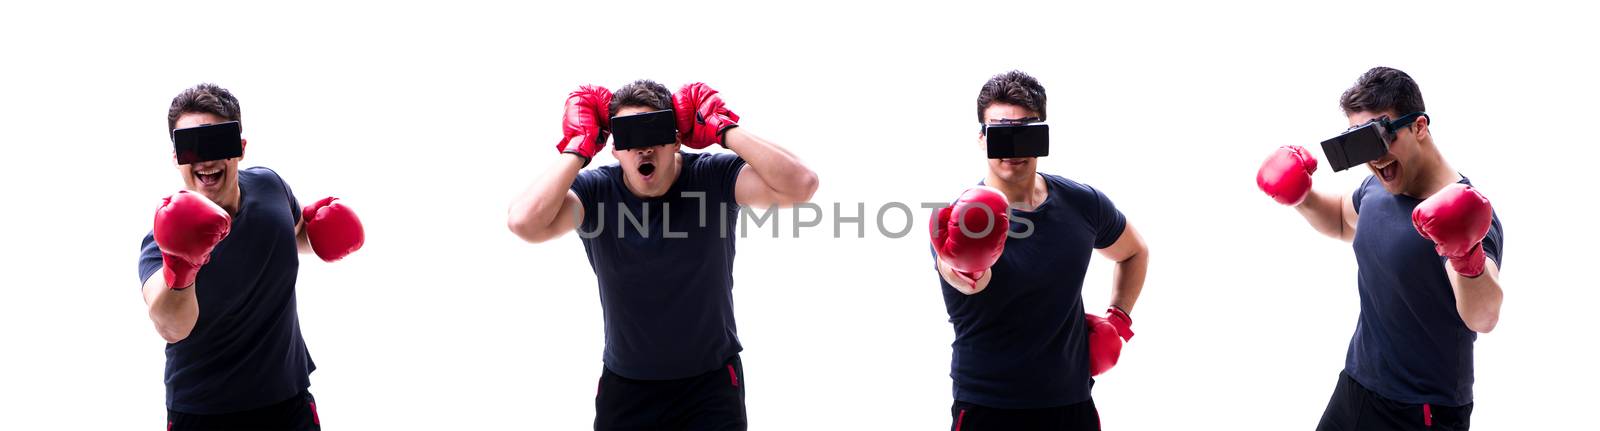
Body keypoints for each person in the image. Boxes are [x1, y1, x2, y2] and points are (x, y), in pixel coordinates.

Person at [507, 79, 818, 430]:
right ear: (614, 149)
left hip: (710, 387)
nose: (643, 149)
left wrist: (724, 127)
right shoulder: (596, 192)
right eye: (629, 138)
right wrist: (576, 149)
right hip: (627, 389)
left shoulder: (712, 178)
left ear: (676, 139)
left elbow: (802, 184)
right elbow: (524, 223)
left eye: (653, 132)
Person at [1255, 66, 1504, 431]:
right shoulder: (1377, 187)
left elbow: (1483, 318)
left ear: (1418, 126)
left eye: (1380, 137)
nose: (1375, 158)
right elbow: (1344, 220)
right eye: (1362, 143)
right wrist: (1302, 197)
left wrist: (1466, 256)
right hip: (1356, 385)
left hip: (1420, 411)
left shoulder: (1464, 213)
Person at [930, 70, 1149, 431]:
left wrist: (1119, 319)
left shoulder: (1083, 203)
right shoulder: (964, 219)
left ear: (1043, 135)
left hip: (1072, 404)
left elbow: (1134, 251)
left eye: (1025, 132)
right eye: (1001, 134)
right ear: (982, 140)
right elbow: (969, 280)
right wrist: (967, 264)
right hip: (989, 409)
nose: (1013, 149)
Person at [140, 83, 365, 431]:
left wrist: (320, 233)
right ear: (175, 158)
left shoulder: (270, 186)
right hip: (204, 414)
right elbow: (170, 325)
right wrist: (183, 266)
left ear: (241, 148)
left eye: (218, 142)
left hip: (288, 402)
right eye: (190, 147)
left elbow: (292, 233)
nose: (206, 158)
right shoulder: (164, 239)